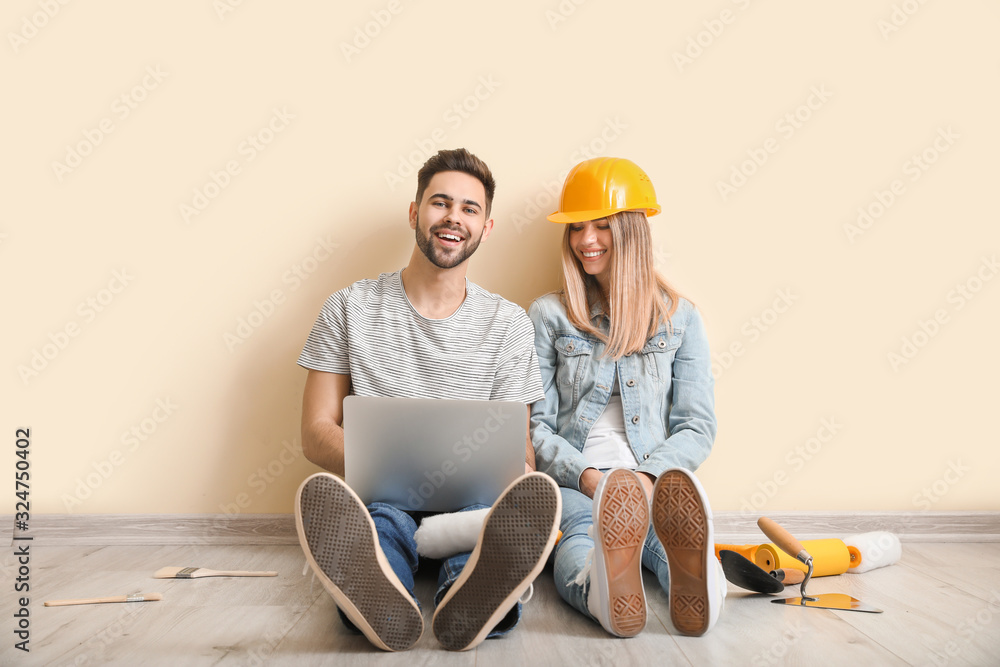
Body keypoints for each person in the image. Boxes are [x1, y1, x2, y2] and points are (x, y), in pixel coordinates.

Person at [295, 148, 560, 652]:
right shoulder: (349, 307)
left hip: (472, 503)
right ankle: (378, 593)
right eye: (440, 203)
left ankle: (476, 596)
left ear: (486, 227)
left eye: (469, 209)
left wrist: (517, 478)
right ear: (415, 212)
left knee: (484, 517)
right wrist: (393, 466)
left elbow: (519, 449)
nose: (453, 218)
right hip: (382, 494)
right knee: (380, 521)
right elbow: (315, 431)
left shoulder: (508, 324)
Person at [528, 157, 727, 638]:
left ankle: (699, 585)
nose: (585, 241)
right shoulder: (549, 314)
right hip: (577, 480)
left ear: (632, 232)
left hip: (656, 480)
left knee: (670, 536)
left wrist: (645, 480)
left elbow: (696, 425)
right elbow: (533, 426)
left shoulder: (682, 319)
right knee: (578, 534)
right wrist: (592, 479)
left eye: (602, 226)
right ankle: (604, 594)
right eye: (577, 228)